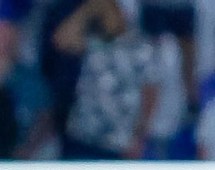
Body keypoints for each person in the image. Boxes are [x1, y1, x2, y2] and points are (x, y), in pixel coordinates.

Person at [54, 0, 159, 160]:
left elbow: (150, 94)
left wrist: (139, 136)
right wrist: (88, 10)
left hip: (119, 142)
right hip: (82, 136)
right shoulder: (94, 42)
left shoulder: (142, 48)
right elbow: (61, 39)